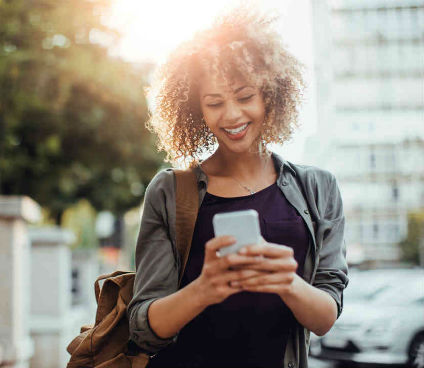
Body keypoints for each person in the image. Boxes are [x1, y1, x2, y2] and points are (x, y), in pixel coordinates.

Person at [127, 6, 349, 368]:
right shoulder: (169, 191)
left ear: (270, 95)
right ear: (196, 109)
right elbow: (143, 328)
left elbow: (325, 318)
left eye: (245, 97)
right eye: (214, 103)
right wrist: (205, 288)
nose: (231, 116)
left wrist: (285, 282)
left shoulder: (318, 188)